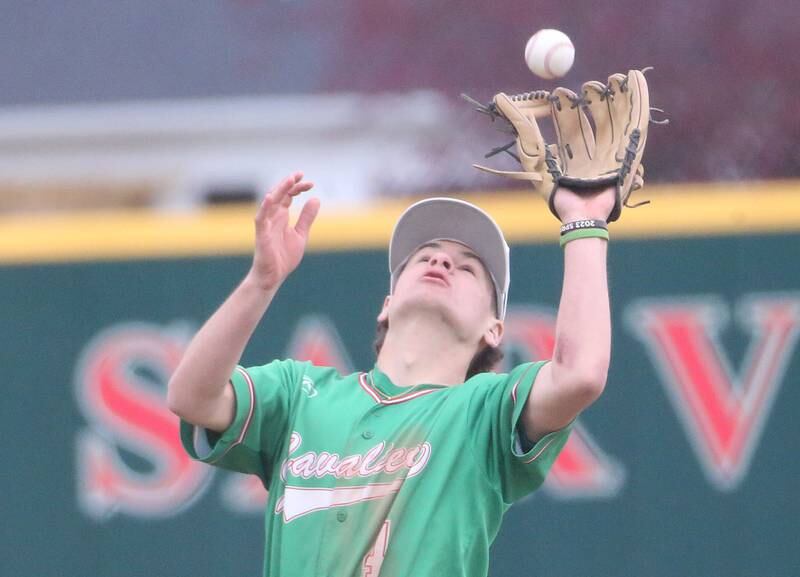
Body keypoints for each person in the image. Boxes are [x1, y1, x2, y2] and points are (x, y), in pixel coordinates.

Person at [168, 170, 613, 577]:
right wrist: (261, 282)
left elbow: (579, 375)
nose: (441, 263)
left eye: (468, 267)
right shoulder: (300, 394)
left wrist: (584, 222)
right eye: (425, 257)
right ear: (387, 303)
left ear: (494, 330)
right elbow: (191, 397)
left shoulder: (484, 413)